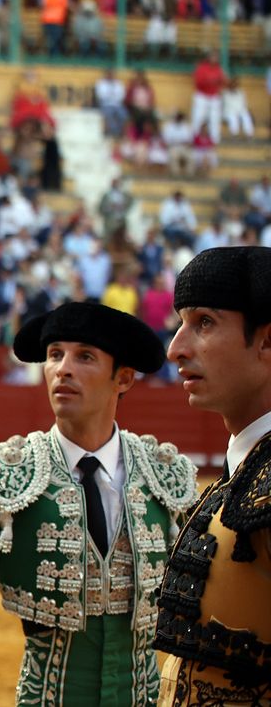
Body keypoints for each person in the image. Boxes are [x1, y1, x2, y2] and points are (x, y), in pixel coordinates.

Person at [0, 301, 199, 707]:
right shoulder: (6, 475)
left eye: (85, 357)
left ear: (124, 378)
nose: (63, 368)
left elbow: (209, 595)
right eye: (54, 355)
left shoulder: (165, 475)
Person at [154, 246, 271, 705]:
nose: (176, 347)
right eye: (181, 322)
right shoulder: (247, 464)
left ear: (265, 341)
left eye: (204, 323)